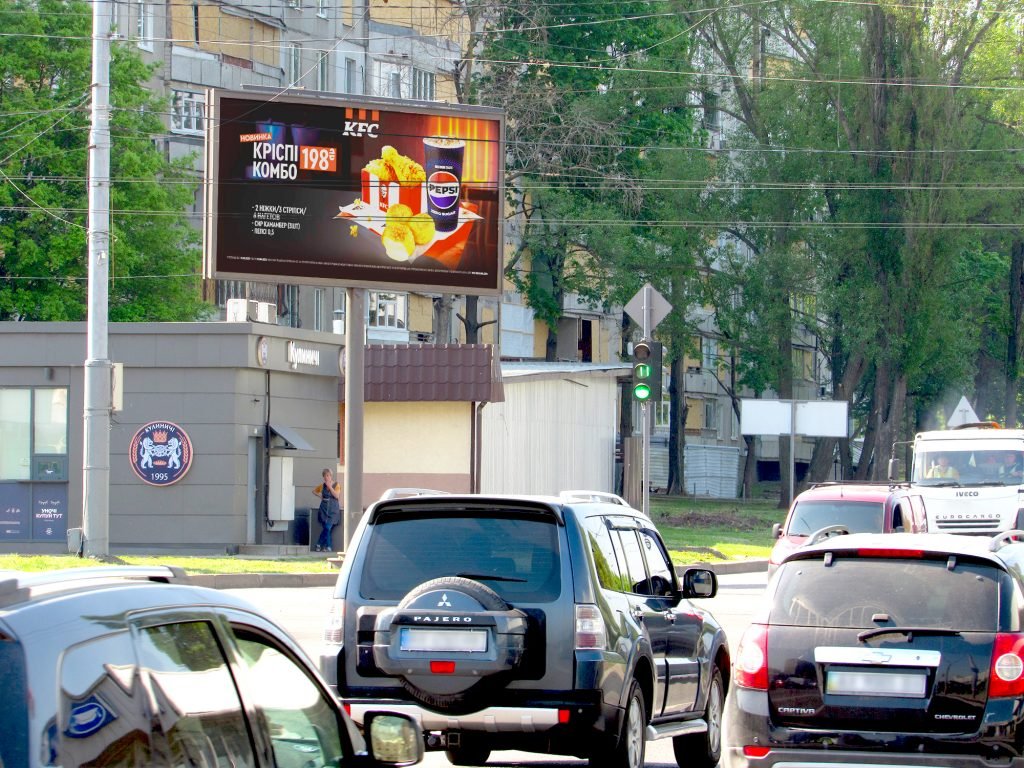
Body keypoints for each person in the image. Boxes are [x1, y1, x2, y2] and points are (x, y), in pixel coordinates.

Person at [312, 468, 341, 552]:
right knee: (326, 528)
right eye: (324, 476)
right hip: (324, 509)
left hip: (333, 510)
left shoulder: (336, 485)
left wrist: (330, 487)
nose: (326, 477)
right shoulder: (322, 485)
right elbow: (314, 491)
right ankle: (327, 547)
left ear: (331, 476)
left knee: (327, 527)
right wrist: (320, 496)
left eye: (328, 475)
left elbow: (337, 496)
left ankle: (319, 544)